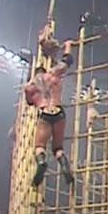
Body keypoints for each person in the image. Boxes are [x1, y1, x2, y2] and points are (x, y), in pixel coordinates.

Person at [24, 40, 75, 187]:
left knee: (39, 145)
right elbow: (68, 60)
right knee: (57, 147)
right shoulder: (54, 75)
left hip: (44, 112)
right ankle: (65, 168)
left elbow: (29, 102)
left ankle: (41, 163)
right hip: (59, 111)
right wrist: (68, 46)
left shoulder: (30, 87)